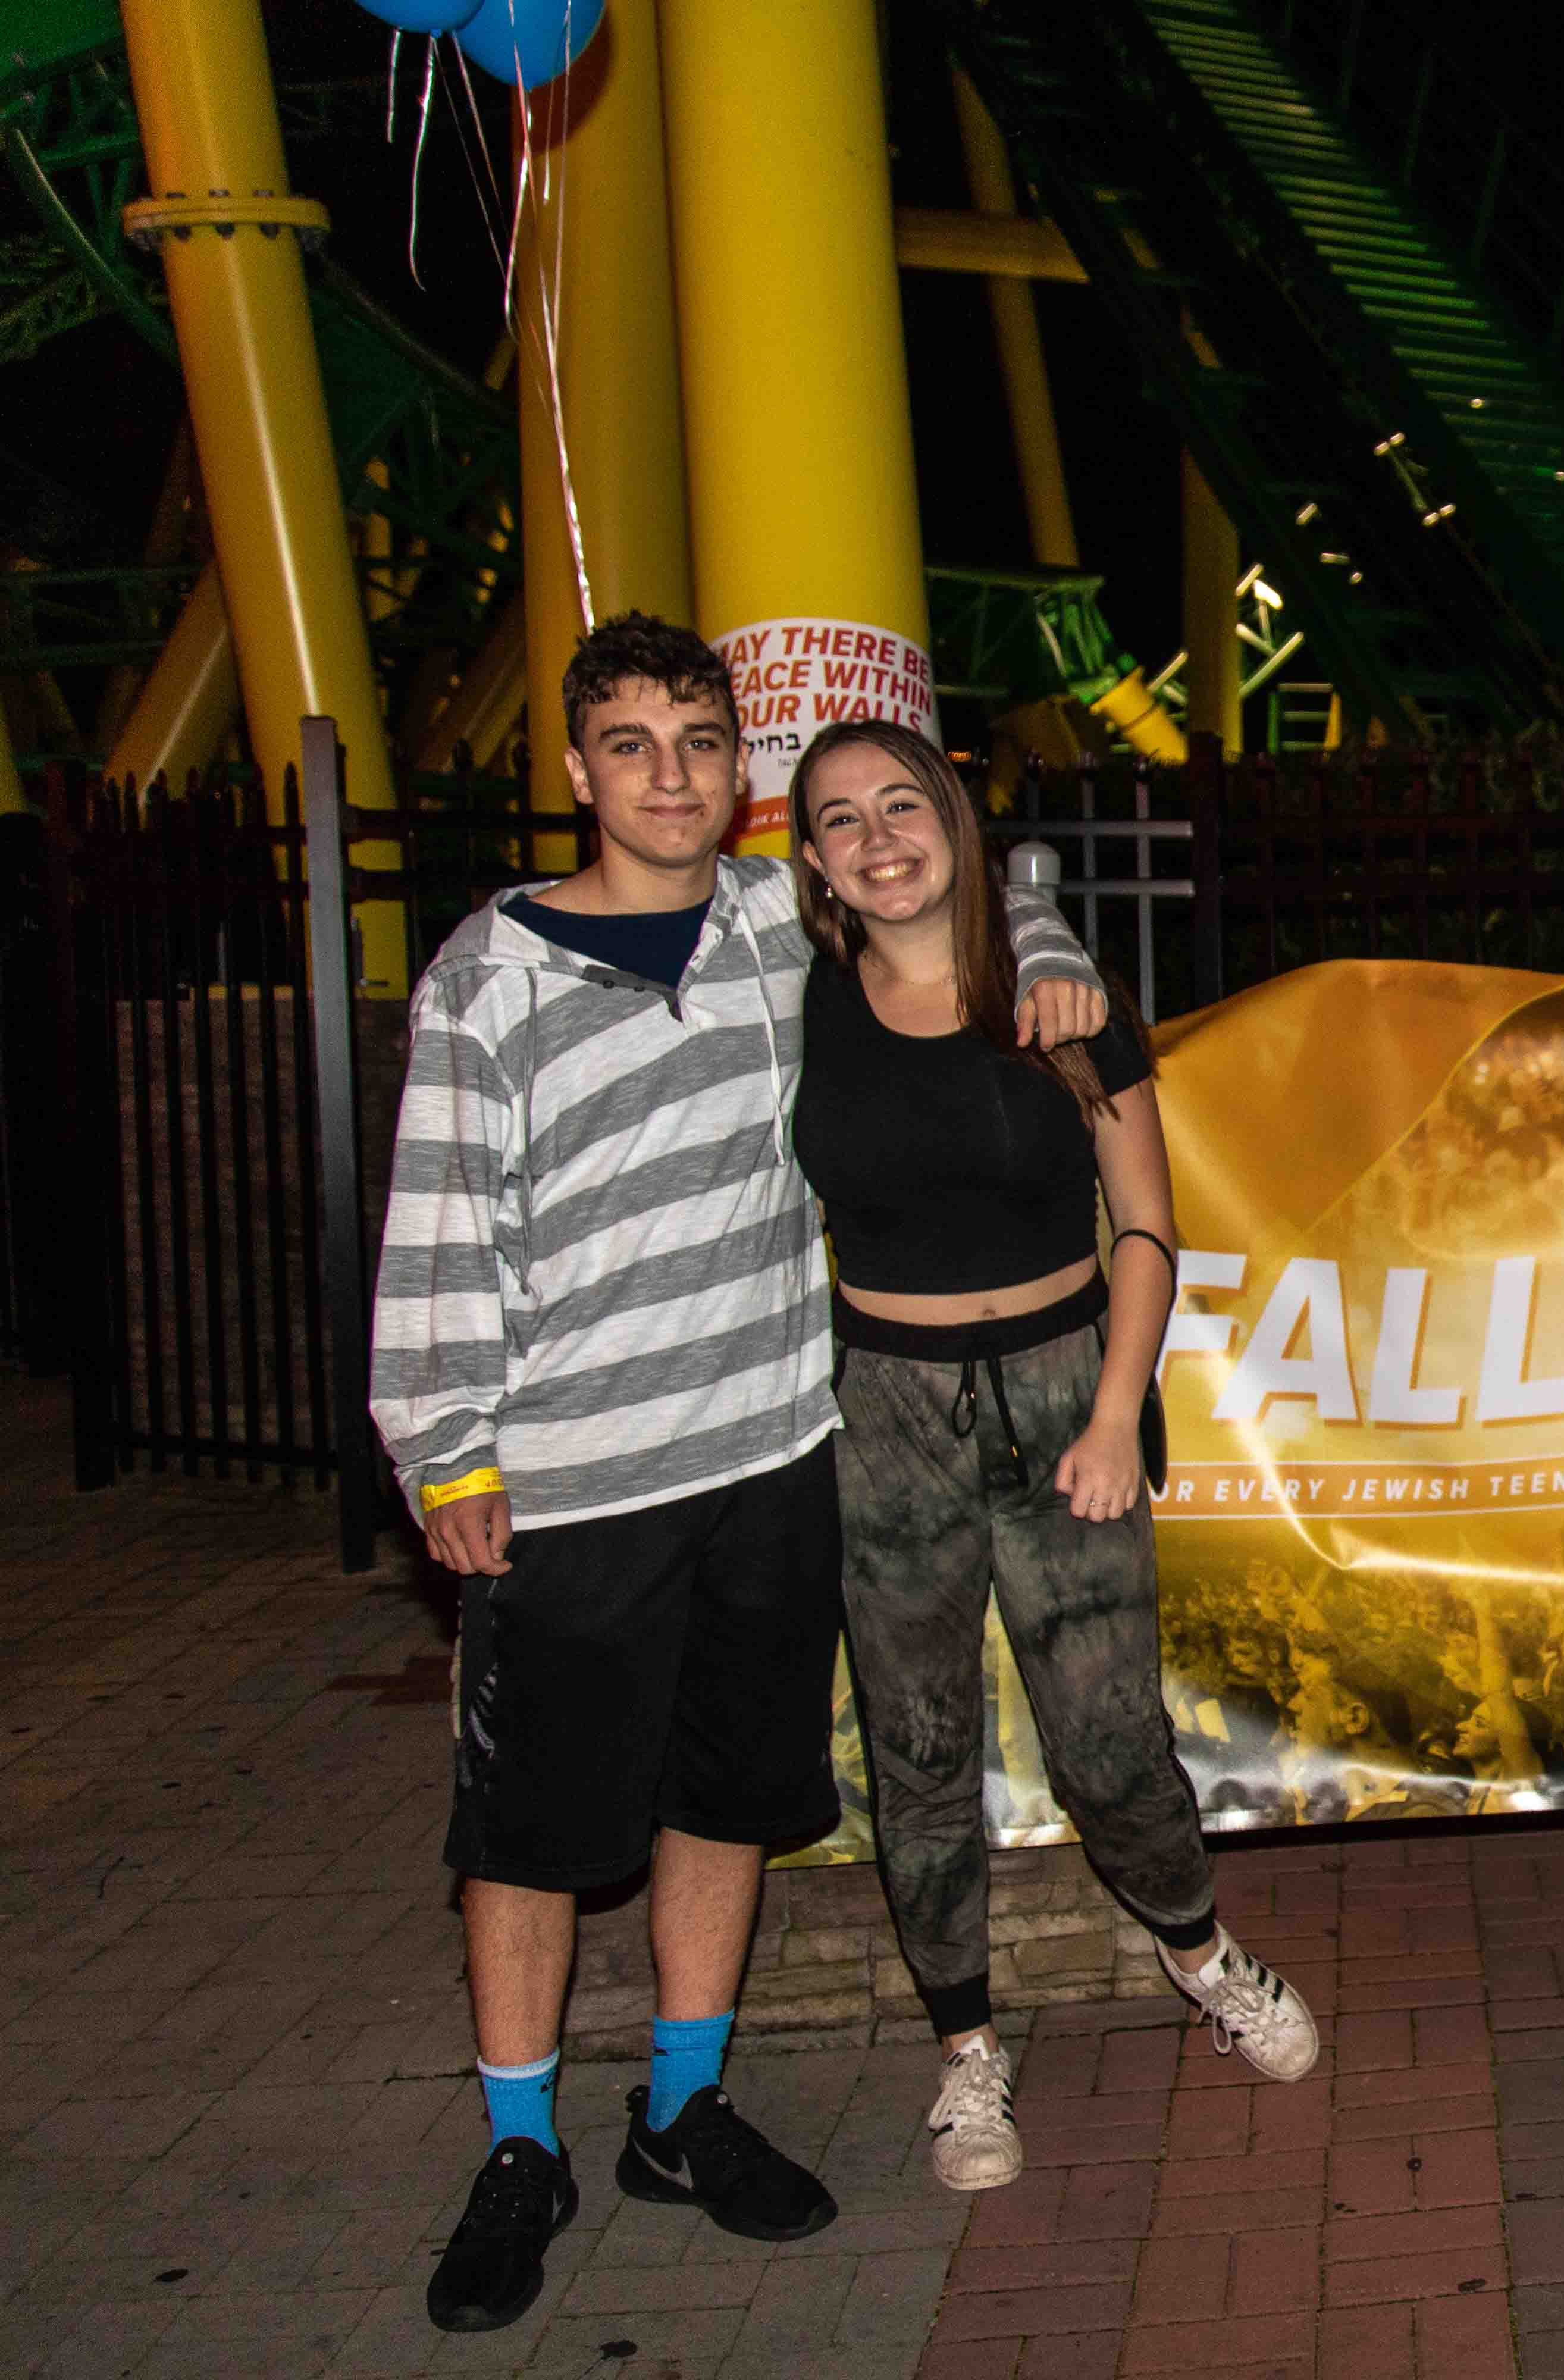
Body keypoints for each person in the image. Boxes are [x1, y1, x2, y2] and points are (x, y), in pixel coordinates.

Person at [370, 616, 1110, 2333]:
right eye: (633, 744)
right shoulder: (490, 973)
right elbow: (440, 1219)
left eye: (702, 742)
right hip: (569, 1481)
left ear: (738, 768)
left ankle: (681, 2110)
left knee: (722, 1799)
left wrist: (1053, 934)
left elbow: (961, 903)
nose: (673, 776)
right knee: (533, 1833)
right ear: (576, 770)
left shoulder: (783, 924)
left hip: (773, 1453)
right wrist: (445, 1444)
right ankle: (519, 2148)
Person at [785, 719, 1319, 2194]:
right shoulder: (798, 1001)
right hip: (884, 1410)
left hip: (1064, 1386)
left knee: (1107, 1733)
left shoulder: (1063, 1000)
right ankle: (966, 2048)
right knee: (919, 1744)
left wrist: (1111, 1413)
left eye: (904, 804)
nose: (880, 838)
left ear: (954, 820)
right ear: (814, 861)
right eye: (843, 819)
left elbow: (1147, 1223)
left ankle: (1202, 1953)